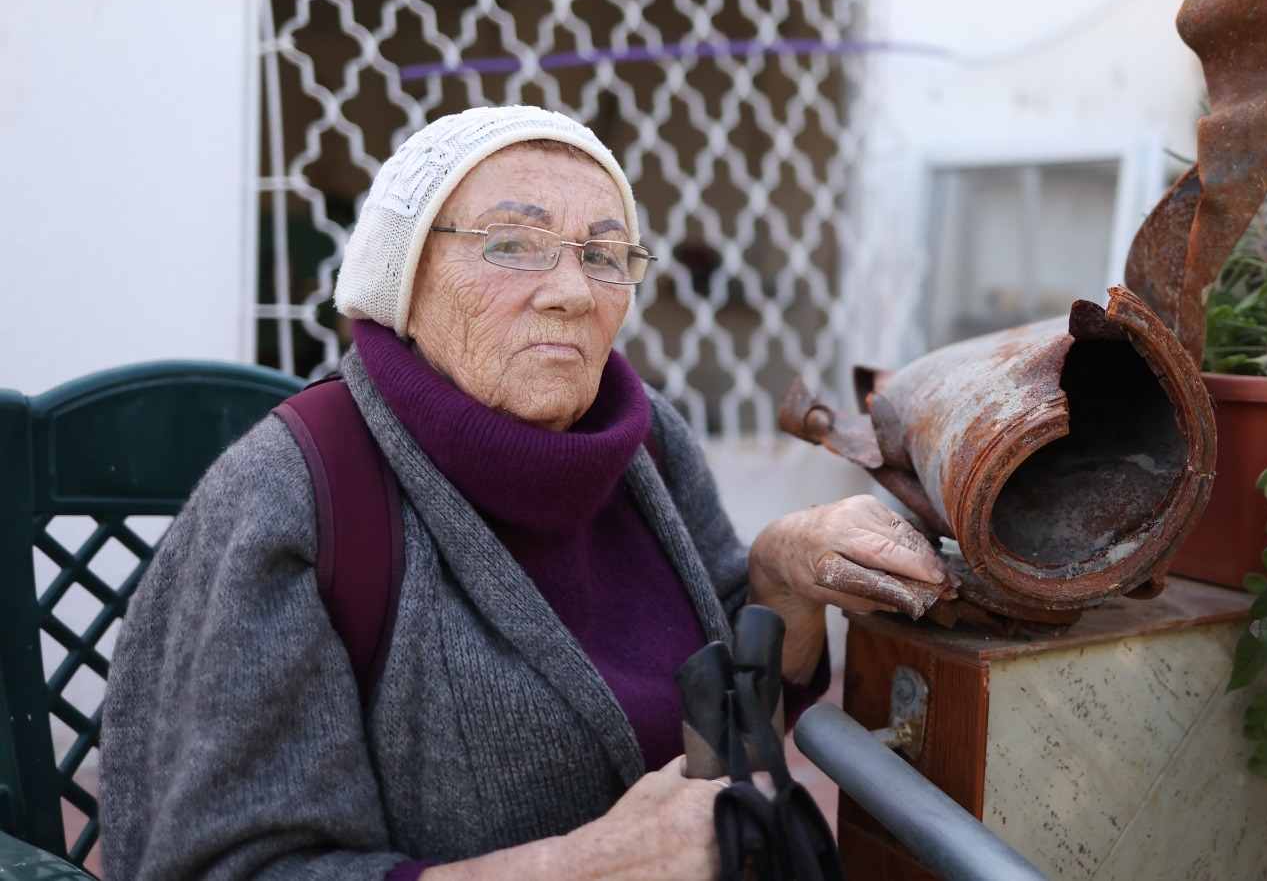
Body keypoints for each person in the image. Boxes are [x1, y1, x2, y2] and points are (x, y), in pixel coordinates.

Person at [99, 106, 954, 881]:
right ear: (406, 276)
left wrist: (780, 581)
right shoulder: (296, 493)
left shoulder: (646, 441)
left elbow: (727, 724)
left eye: (604, 254)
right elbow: (223, 869)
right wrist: (575, 868)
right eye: (512, 244)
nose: (573, 291)